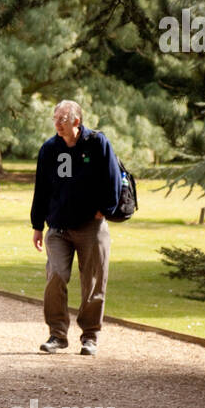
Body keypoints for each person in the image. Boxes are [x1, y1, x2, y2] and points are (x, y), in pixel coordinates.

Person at [30, 100, 122, 356]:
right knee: (56, 276)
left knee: (92, 282)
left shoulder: (97, 143)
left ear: (76, 122)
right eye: (55, 119)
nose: (57, 124)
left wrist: (105, 209)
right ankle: (57, 334)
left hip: (90, 226)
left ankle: (90, 336)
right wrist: (37, 225)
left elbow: (112, 178)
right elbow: (42, 189)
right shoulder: (49, 148)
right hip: (58, 227)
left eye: (62, 119)